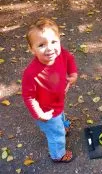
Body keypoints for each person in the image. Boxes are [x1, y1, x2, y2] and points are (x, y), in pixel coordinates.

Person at [22, 18, 78, 163]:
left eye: (54, 42)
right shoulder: (31, 73)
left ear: (59, 40)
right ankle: (58, 155)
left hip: (58, 102)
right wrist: (39, 114)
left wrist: (73, 74)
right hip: (46, 111)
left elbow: (69, 59)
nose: (50, 48)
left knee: (61, 115)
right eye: (41, 45)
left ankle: (62, 126)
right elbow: (28, 96)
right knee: (56, 136)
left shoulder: (60, 54)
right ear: (32, 49)